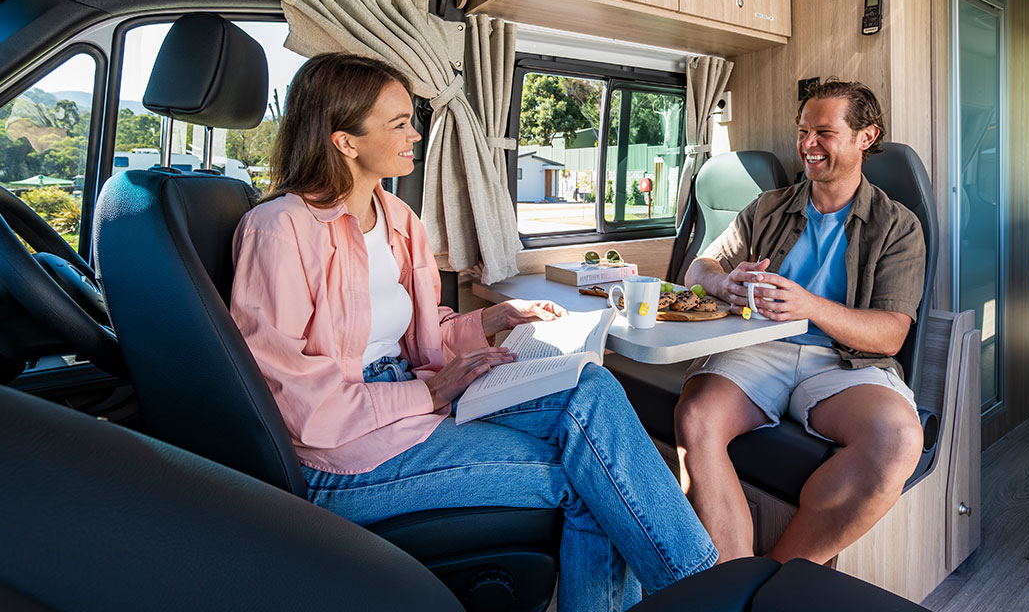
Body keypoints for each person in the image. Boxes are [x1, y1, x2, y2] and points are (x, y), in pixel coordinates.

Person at [229, 53, 716, 612]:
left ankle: (698, 586)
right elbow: (287, 395)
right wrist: (430, 392)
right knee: (595, 481)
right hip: (343, 453)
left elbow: (411, 332)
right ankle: (702, 595)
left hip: (415, 401)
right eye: (399, 124)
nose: (415, 133)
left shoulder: (397, 219)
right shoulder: (279, 228)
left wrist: (491, 321)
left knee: (594, 389)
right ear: (345, 142)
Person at [674, 78, 925, 566]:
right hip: (757, 350)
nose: (807, 145)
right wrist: (722, 285)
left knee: (897, 440)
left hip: (844, 364)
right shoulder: (766, 208)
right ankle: (732, 576)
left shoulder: (898, 225)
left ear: (865, 138)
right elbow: (700, 266)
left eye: (824, 133)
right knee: (695, 416)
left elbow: (892, 332)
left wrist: (810, 306)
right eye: (803, 131)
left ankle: (776, 577)